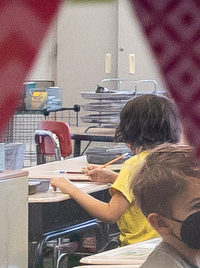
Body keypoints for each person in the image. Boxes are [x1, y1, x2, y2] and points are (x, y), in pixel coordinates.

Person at [52, 91, 180, 246]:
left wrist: (71, 188)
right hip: (170, 245)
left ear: (129, 130)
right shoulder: (173, 158)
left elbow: (110, 214)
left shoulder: (134, 165)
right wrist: (114, 178)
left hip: (138, 248)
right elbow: (150, 186)